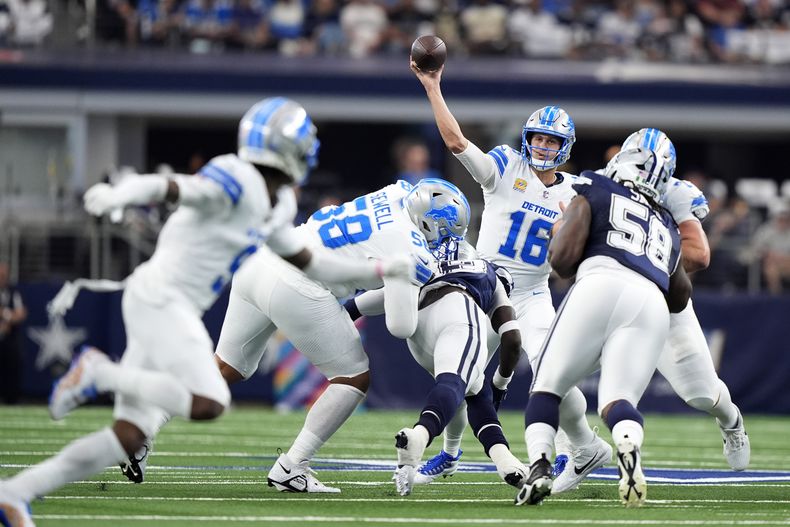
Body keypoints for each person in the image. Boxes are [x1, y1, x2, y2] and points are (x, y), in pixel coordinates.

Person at [0, 97, 411, 524]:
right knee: (210, 401)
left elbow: (310, 260)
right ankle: (100, 372)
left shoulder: (282, 203)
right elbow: (174, 187)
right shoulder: (237, 175)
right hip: (163, 299)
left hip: (197, 293)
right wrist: (122, 192)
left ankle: (17, 491)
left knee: (128, 433)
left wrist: (381, 268)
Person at [410, 61, 609, 484]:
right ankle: (450, 453)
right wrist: (432, 87)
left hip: (533, 294)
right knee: (461, 372)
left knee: (554, 371)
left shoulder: (577, 192)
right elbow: (456, 141)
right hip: (482, 285)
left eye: (550, 139)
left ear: (565, 145)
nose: (540, 145)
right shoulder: (506, 167)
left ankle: (585, 448)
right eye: (536, 136)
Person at [210, 177, 469, 493]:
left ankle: (143, 425)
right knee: (353, 377)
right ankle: (293, 466)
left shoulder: (397, 191)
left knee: (224, 368)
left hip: (262, 260)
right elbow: (401, 325)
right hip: (298, 282)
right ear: (429, 225)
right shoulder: (411, 247)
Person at [551, 128, 750, 494]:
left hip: (660, 300)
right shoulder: (601, 184)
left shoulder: (675, 193)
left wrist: (644, 250)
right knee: (557, 375)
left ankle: (732, 421)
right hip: (605, 290)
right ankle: (578, 452)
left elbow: (700, 255)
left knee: (701, 393)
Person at [516, 147, 691, 508]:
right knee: (618, 399)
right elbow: (680, 295)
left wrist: (562, 231)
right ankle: (627, 441)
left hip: (601, 282)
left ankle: (540, 466)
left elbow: (563, 262)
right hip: (651, 302)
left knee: (548, 387)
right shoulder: (667, 223)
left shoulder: (595, 187)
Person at [345, 240, 527, 496]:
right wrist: (501, 384)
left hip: (417, 329)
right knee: (459, 385)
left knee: (474, 392)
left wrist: (341, 315)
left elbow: (371, 301)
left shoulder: (428, 264)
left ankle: (504, 460)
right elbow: (513, 340)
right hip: (458, 310)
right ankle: (419, 437)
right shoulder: (491, 276)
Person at [0, 262, 27, 405]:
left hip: (9, 340)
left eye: (4, 275)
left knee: (12, 367)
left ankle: (12, 400)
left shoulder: (13, 293)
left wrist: (7, 318)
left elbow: (21, 313)